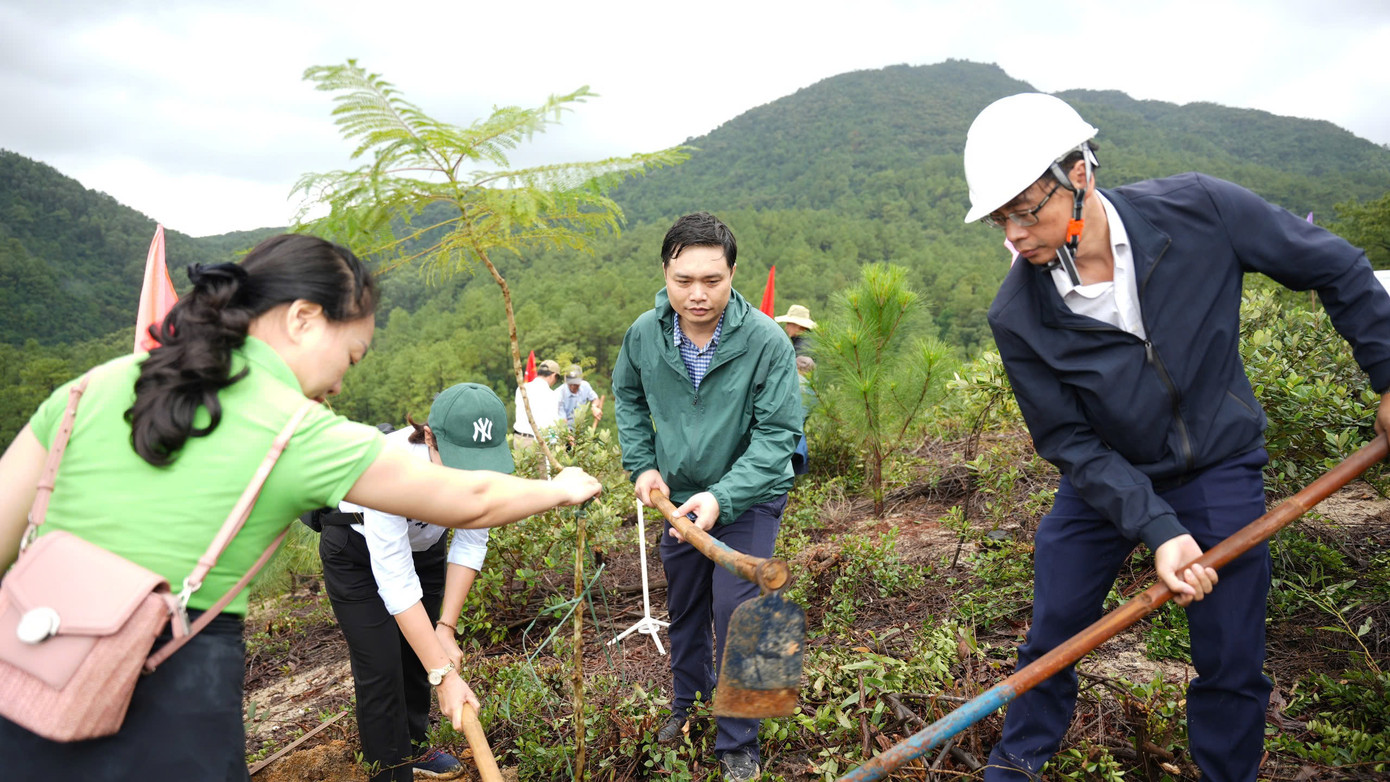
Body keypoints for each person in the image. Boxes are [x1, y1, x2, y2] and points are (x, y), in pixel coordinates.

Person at [0, 234, 601, 780]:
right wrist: (561, 486)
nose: (340, 383)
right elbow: (471, 501)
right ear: (302, 318)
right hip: (172, 692)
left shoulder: (90, 386)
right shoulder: (295, 431)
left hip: (26, 672)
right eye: (352, 356)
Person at [962, 93, 1390, 782]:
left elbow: (1336, 267)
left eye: (1025, 211)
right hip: (1105, 479)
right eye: (999, 220)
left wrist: (1389, 375)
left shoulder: (1200, 211)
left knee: (1230, 654)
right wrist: (1159, 528)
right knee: (1054, 632)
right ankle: (1014, 767)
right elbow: (1069, 440)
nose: (1014, 235)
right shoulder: (1019, 313)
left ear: (1079, 176)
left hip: (1218, 463)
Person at [612, 212, 802, 782]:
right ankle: (687, 705)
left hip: (750, 493)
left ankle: (742, 739)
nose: (697, 294)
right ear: (665, 274)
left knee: (742, 607)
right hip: (679, 499)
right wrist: (642, 464)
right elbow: (627, 395)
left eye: (712, 280)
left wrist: (723, 495)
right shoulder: (644, 334)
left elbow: (777, 435)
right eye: (684, 280)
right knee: (687, 604)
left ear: (732, 275)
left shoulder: (765, 340)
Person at [320, 383, 511, 782]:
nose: (469, 476)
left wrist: (446, 629)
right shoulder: (389, 465)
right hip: (356, 552)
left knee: (416, 656)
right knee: (381, 664)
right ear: (429, 436)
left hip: (423, 550)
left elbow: (471, 541)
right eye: (457, 461)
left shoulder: (482, 471)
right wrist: (444, 675)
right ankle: (390, 770)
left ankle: (415, 747)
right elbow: (396, 581)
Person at [513, 358, 562, 447]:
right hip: (535, 442)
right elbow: (552, 423)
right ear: (553, 375)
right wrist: (555, 443)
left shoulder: (521, 388)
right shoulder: (551, 395)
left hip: (518, 439)